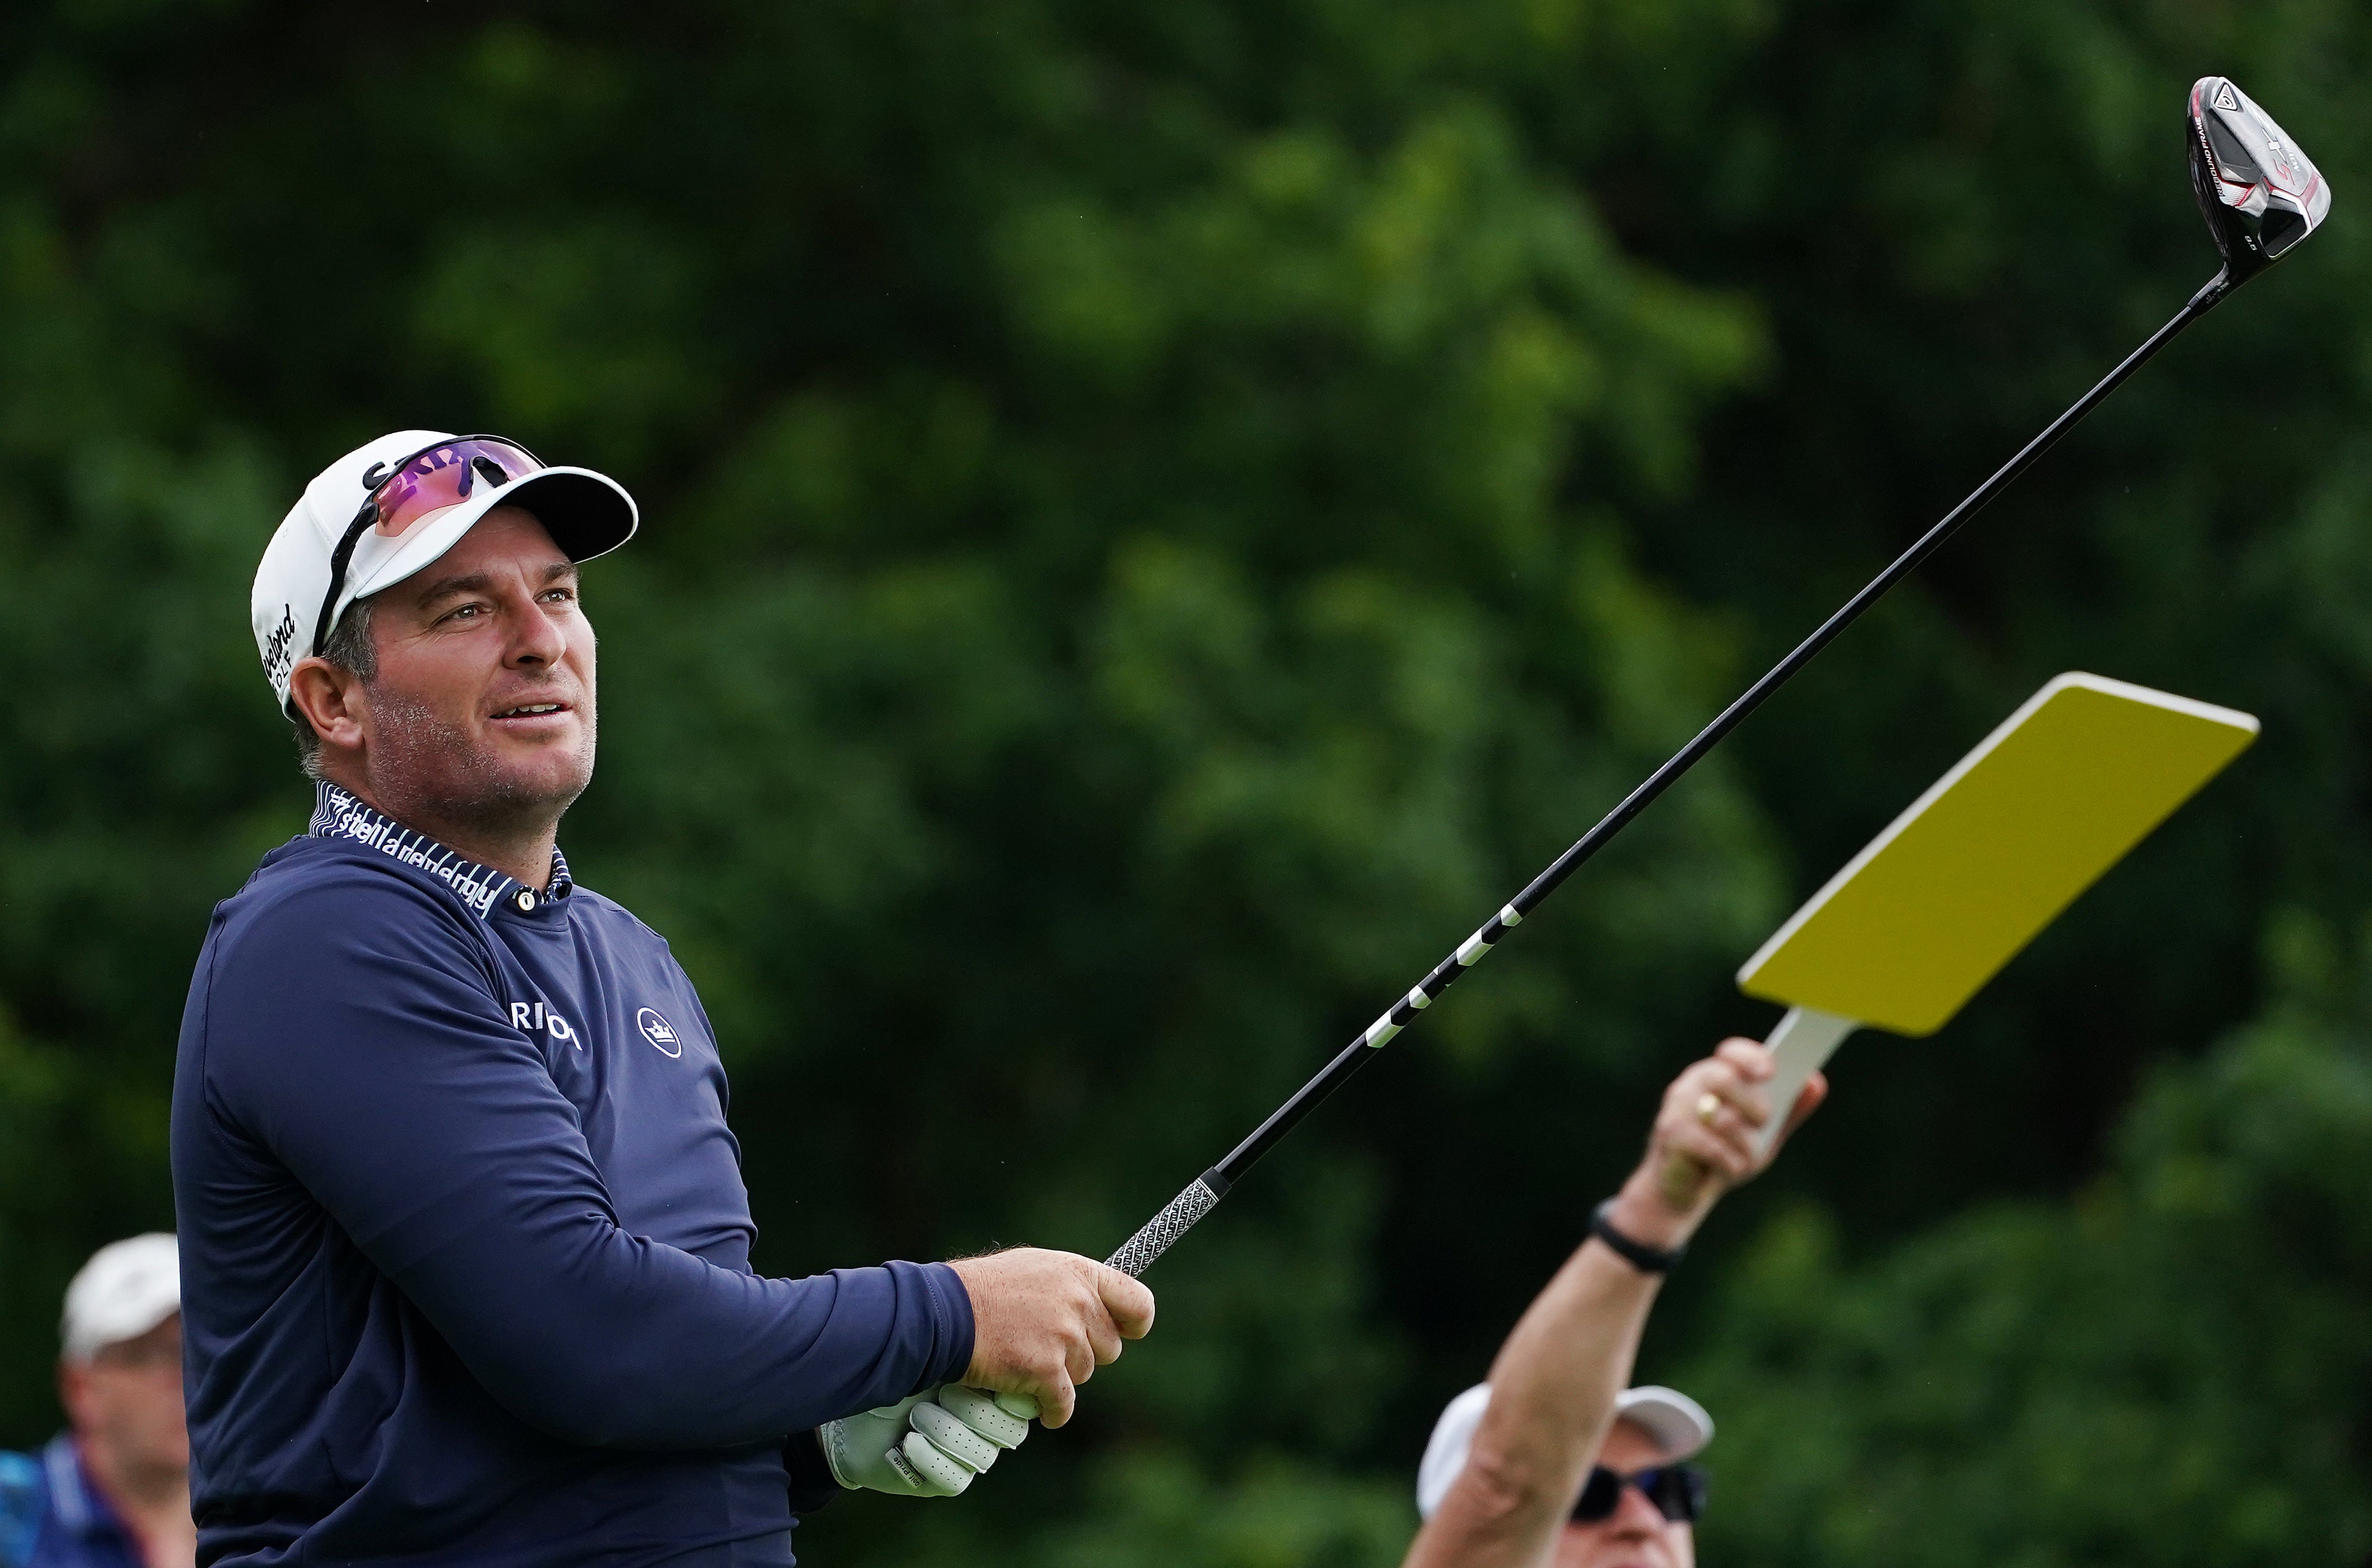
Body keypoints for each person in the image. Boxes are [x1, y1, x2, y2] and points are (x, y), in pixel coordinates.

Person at [172, 433, 1156, 1566]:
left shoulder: (631, 956)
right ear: (333, 698)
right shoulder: (325, 934)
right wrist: (954, 1311)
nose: (542, 640)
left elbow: (604, 1404)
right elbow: (590, 1337)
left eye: (558, 594)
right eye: (463, 611)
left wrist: (812, 1440)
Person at [1402, 1038, 1824, 1568]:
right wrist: (1657, 1210)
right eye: (1586, 1495)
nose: (1643, 1521)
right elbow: (1508, 1487)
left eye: (1666, 1489)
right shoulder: (1495, 1517)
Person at [0, 1234, 196, 1568]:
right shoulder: (14, 1513)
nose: (183, 1377)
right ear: (81, 1388)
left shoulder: (275, 1517)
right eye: (148, 1356)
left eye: (199, 1352)